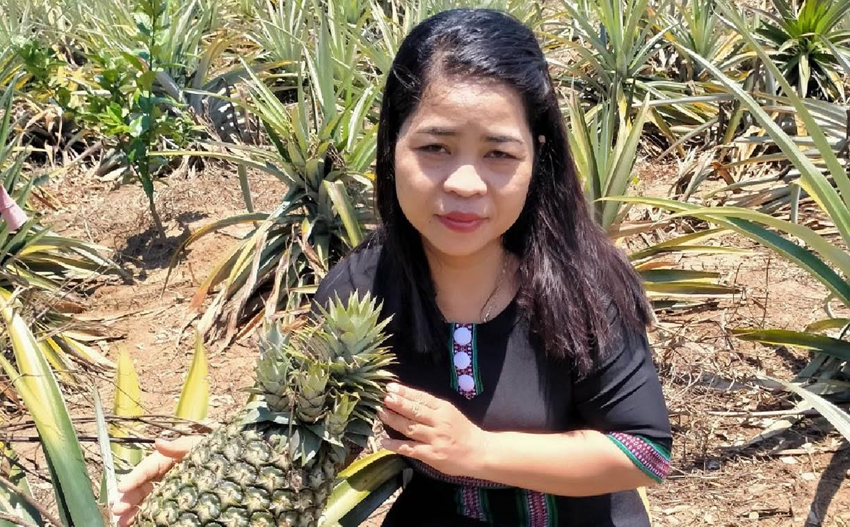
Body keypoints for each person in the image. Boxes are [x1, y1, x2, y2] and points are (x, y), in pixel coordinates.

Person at [112, 8, 672, 526]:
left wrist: (479, 451)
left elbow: (643, 453)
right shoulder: (359, 289)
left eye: (499, 153)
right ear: (393, 146)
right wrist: (229, 460)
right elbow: (326, 432)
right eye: (435, 147)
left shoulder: (583, 284)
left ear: (536, 159)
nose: (465, 183)